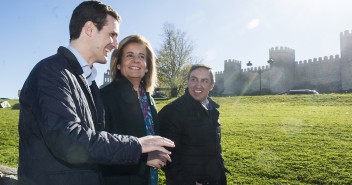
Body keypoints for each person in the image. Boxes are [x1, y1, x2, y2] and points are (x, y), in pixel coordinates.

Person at [17, 1, 174, 185]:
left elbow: (95, 146)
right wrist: (138, 146)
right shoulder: (51, 72)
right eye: (112, 35)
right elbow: (67, 139)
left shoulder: (87, 82)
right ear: (90, 29)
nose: (115, 44)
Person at [100, 35, 167, 185]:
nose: (136, 60)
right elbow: (101, 147)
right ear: (118, 63)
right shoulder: (105, 96)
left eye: (141, 56)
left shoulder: (149, 100)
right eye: (129, 55)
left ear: (147, 66)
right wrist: (143, 159)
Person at [159, 64, 228, 185]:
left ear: (212, 85)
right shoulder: (172, 111)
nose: (198, 85)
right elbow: (166, 156)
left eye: (204, 81)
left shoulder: (212, 109)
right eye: (194, 79)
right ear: (187, 82)